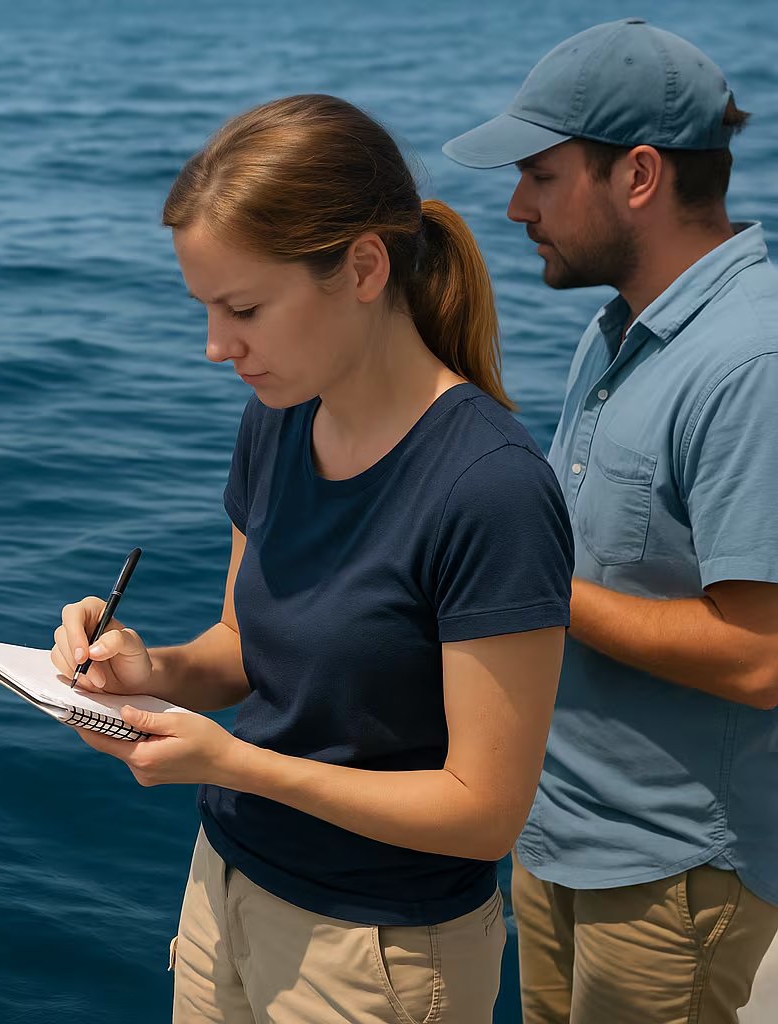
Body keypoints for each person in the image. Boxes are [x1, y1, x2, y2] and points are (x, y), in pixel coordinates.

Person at [50, 93, 573, 1023]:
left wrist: (234, 764)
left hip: (379, 952)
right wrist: (148, 671)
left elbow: (487, 811)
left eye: (243, 308)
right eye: (206, 310)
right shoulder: (277, 422)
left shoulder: (491, 489)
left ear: (363, 266)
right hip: (224, 889)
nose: (217, 348)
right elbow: (246, 649)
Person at [443, 18, 778, 1024]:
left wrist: (526, 586)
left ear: (638, 175)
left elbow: (762, 655)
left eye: (541, 178)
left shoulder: (748, 362)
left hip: (673, 882)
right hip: (561, 842)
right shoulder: (617, 327)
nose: (513, 208)